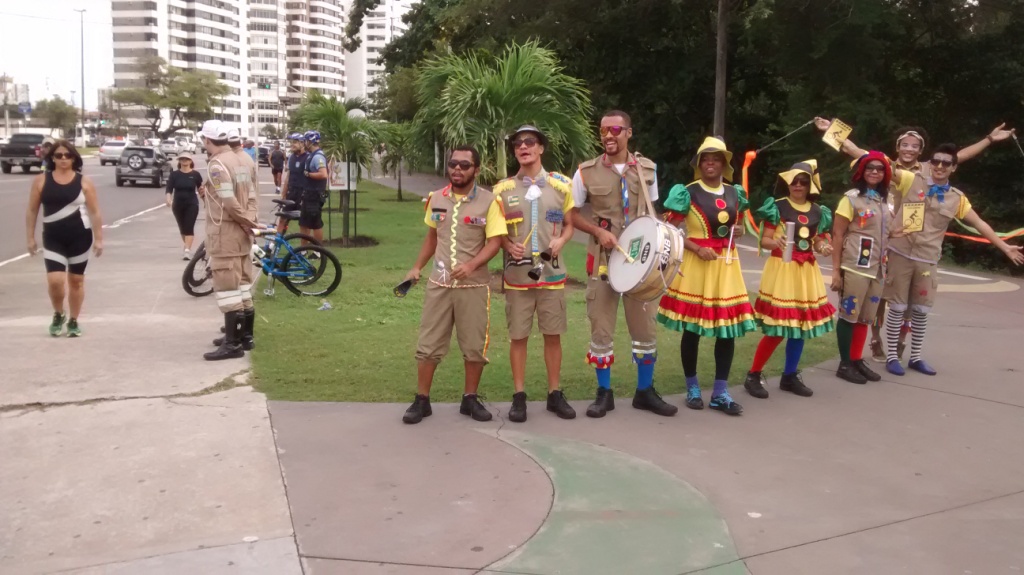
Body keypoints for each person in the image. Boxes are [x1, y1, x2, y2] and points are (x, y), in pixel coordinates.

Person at [814, 118, 1016, 362]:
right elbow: (855, 151)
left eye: (914, 146)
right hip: (882, 240)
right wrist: (831, 130)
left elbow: (958, 157)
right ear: (897, 147)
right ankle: (875, 340)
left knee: (906, 300)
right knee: (877, 298)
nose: (909, 149)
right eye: (905, 145)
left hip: (909, 245)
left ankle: (899, 342)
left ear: (922, 151)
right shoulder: (886, 167)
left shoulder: (926, 171)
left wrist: (989, 140)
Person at [569, 110, 677, 418]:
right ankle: (604, 393)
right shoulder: (585, 172)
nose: (608, 135)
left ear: (629, 132)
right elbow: (573, 213)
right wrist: (598, 230)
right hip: (603, 260)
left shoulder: (647, 169)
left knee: (645, 327)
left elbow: (651, 211)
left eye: (615, 129)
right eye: (603, 130)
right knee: (600, 327)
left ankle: (644, 392)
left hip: (641, 260)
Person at [882, 143, 1024, 375]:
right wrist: (839, 139)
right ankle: (891, 357)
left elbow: (979, 223)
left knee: (921, 309)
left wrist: (1005, 247)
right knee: (897, 307)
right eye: (935, 161)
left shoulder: (956, 198)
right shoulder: (911, 180)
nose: (939, 166)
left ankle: (915, 357)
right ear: (930, 163)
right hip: (900, 253)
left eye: (945, 163)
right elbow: (879, 164)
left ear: (953, 168)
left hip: (927, 259)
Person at [401, 146, 507, 424]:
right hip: (439, 284)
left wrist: (471, 265)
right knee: (428, 343)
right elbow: (432, 237)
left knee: (474, 345)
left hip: (473, 286)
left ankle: (469, 400)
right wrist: (416, 267)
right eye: (453, 164)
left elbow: (495, 242)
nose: (457, 169)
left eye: (464, 165)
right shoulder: (436, 198)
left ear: (476, 169)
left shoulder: (489, 202)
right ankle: (422, 400)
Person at [658, 136, 754, 416]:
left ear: (724, 164)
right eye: (705, 159)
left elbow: (741, 228)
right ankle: (692, 387)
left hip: (727, 267)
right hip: (698, 266)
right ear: (699, 164)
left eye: (716, 159)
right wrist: (697, 248)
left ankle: (721, 392)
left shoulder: (736, 193)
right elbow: (671, 231)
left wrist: (740, 232)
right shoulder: (686, 192)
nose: (710, 163)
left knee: (727, 330)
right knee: (693, 328)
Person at [493, 125, 577, 422]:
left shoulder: (561, 186)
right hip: (517, 279)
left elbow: (569, 224)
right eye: (518, 143)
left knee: (552, 335)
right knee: (519, 337)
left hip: (552, 276)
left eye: (530, 142)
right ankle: (519, 397)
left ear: (541, 148)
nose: (523, 146)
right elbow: (496, 231)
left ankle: (555, 394)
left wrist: (561, 240)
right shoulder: (501, 190)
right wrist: (507, 244)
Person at [743, 160, 836, 398]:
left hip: (806, 272)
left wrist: (824, 246)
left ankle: (789, 375)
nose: (798, 185)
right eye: (794, 181)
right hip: (782, 270)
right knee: (778, 327)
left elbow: (818, 240)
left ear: (810, 185)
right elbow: (764, 240)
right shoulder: (778, 206)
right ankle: (753, 374)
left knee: (800, 326)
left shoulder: (818, 211)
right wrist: (776, 242)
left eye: (803, 182)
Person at [25, 140, 103, 337]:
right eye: (58, 155)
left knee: (76, 281)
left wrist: (99, 238)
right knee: (55, 281)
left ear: (74, 158)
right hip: (53, 238)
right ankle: (58, 313)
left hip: (80, 237)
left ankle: (74, 320)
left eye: (67, 155)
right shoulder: (41, 181)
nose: (63, 159)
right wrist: (30, 238)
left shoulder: (84, 181)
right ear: (52, 158)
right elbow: (32, 210)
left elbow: (95, 212)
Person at [830, 152, 893, 384]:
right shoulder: (851, 199)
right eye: (870, 168)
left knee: (866, 318)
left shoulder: (885, 201)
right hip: (855, 265)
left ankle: (856, 359)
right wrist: (836, 271)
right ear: (862, 171)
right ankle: (844, 363)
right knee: (849, 315)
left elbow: (887, 232)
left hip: (878, 267)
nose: (875, 172)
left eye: (880, 168)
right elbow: (837, 234)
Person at [199, 120, 259, 361]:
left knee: (227, 288)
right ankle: (244, 337)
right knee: (243, 284)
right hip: (242, 234)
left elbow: (227, 201)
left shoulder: (217, 164)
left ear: (207, 140)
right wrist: (251, 221)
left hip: (226, 232)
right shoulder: (240, 159)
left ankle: (233, 343)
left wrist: (245, 221)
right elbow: (252, 195)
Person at [165, 153, 204, 260]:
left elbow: (201, 189)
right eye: (182, 159)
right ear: (179, 161)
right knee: (182, 228)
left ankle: (187, 250)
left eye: (187, 159)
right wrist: (168, 198)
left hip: (192, 204)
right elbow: (169, 189)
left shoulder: (195, 174)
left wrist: (205, 200)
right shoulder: (174, 175)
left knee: (189, 227)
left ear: (191, 161)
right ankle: (187, 246)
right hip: (178, 204)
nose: (185, 161)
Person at [301, 130, 328, 245]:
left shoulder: (318, 157)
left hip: (315, 195)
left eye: (306, 141)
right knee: (304, 223)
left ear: (310, 142)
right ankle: (303, 250)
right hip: (308, 194)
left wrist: (308, 174)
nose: (304, 144)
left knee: (315, 223)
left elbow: (323, 174)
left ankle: (318, 251)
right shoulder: (311, 156)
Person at [278, 133, 307, 233]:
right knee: (283, 218)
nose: (292, 145)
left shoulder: (308, 157)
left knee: (304, 222)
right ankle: (276, 244)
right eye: (292, 142)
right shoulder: (291, 157)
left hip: (303, 193)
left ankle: (304, 248)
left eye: (295, 142)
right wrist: (284, 193)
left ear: (302, 143)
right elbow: (288, 176)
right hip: (292, 192)